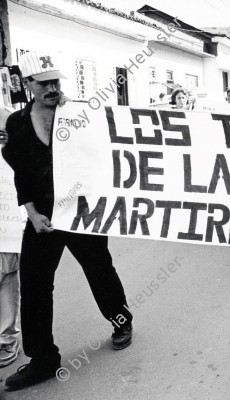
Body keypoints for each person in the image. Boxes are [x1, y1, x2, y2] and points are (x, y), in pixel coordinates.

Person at [1, 52, 133, 392]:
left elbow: (109, 157)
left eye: (55, 82)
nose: (51, 88)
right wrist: (31, 213)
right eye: (43, 83)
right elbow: (22, 174)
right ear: (26, 84)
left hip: (82, 211)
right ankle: (43, 358)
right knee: (34, 284)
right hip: (43, 215)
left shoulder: (82, 115)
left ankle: (121, 320)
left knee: (99, 268)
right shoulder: (17, 123)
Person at [0, 109, 21, 370]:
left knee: (6, 275)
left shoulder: (6, 117)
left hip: (5, 220)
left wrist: (10, 140)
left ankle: (6, 337)